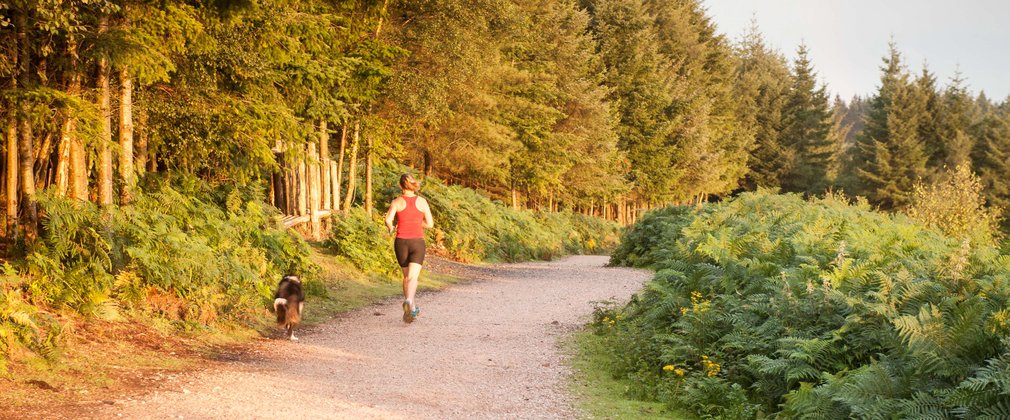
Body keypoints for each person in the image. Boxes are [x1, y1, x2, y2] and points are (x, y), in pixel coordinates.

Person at [384, 174, 434, 323]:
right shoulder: (422, 202)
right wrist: (418, 224)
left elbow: (388, 219)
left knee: (406, 277)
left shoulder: (396, 202)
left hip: (401, 243)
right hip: (417, 242)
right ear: (413, 185)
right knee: (413, 277)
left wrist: (391, 227)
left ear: (400, 186)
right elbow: (430, 224)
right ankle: (410, 303)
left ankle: (410, 309)